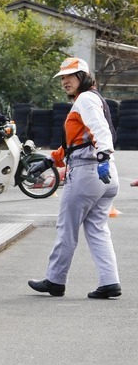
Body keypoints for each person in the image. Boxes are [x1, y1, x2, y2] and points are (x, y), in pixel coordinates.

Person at [28, 57, 120, 299]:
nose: (65, 81)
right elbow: (77, 143)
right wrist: (50, 160)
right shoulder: (91, 99)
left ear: (84, 77)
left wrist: (102, 156)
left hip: (89, 172)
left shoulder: (86, 99)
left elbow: (99, 130)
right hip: (106, 175)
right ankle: (110, 282)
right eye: (62, 78)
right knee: (98, 229)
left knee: (66, 229)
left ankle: (55, 280)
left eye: (71, 76)